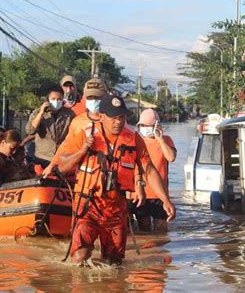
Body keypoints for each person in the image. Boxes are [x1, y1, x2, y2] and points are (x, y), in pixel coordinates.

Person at [58, 94, 176, 265]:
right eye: (114, 117)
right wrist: (83, 150)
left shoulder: (133, 139)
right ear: (101, 116)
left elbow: (149, 170)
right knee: (80, 256)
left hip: (116, 209)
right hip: (88, 207)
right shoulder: (84, 134)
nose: (118, 121)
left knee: (114, 263)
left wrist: (166, 200)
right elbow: (62, 167)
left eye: (122, 117)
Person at [42, 77, 107, 177]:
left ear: (105, 97)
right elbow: (66, 146)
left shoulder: (115, 121)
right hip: (84, 180)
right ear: (85, 97)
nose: (94, 101)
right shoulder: (78, 122)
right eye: (90, 97)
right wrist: (52, 165)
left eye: (97, 97)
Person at [133, 109, 176, 233]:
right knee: (144, 229)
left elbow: (171, 157)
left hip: (160, 195)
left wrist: (160, 139)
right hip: (141, 193)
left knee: (161, 229)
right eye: (143, 126)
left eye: (148, 125)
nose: (145, 128)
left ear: (156, 125)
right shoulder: (136, 142)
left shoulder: (166, 140)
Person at [25, 85, 75, 172]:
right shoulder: (37, 112)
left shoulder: (69, 114)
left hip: (61, 158)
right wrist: (41, 113)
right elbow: (30, 131)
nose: (56, 101)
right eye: (53, 99)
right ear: (48, 99)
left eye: (59, 99)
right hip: (42, 158)